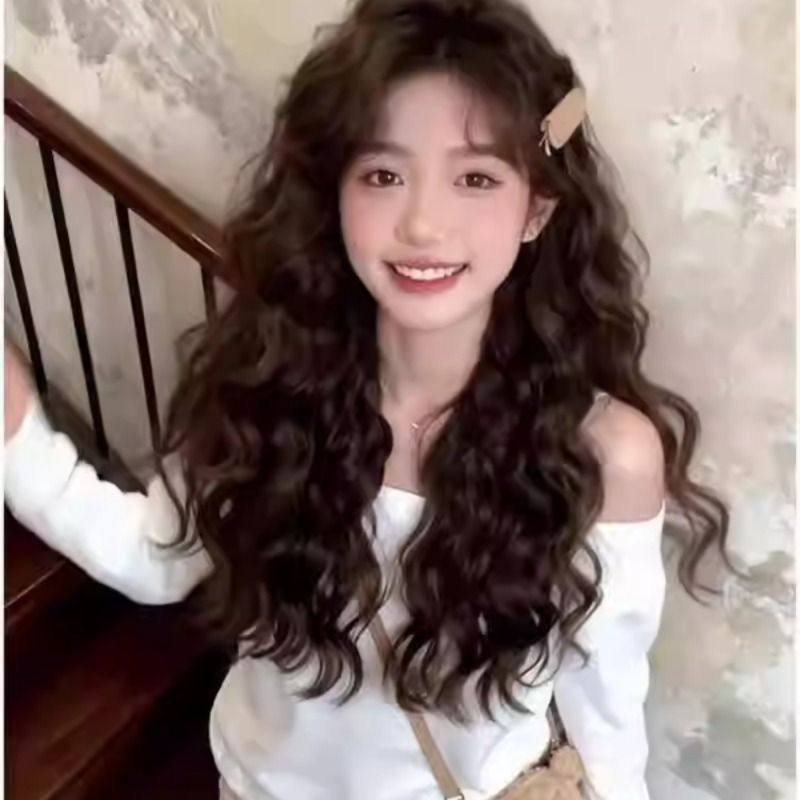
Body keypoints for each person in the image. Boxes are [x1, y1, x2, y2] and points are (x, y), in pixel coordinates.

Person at [4, 1, 737, 798]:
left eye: (476, 178)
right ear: (337, 195)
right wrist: (18, 425)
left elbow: (607, 717)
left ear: (536, 210)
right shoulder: (268, 387)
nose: (423, 224)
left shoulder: (604, 456)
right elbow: (152, 558)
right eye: (384, 175)